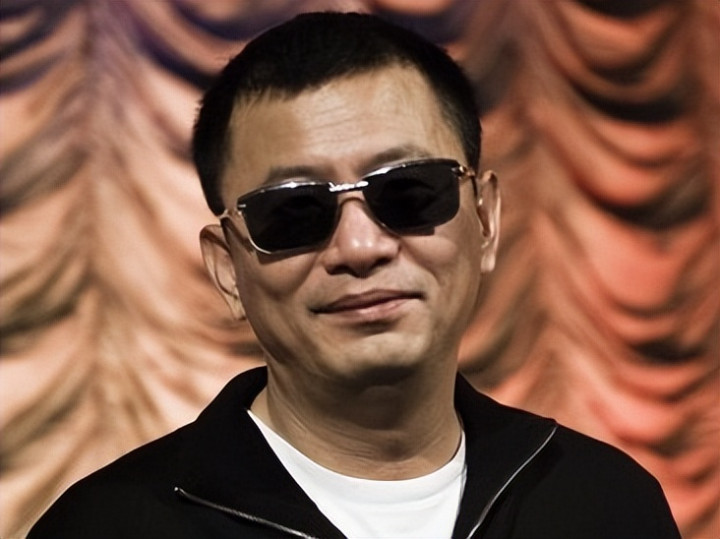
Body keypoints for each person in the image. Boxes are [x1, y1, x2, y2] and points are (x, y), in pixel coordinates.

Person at [29, 11, 680, 539]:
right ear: (227, 267)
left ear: (485, 218)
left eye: (409, 192)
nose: (361, 247)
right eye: (293, 212)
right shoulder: (107, 526)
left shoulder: (605, 503)